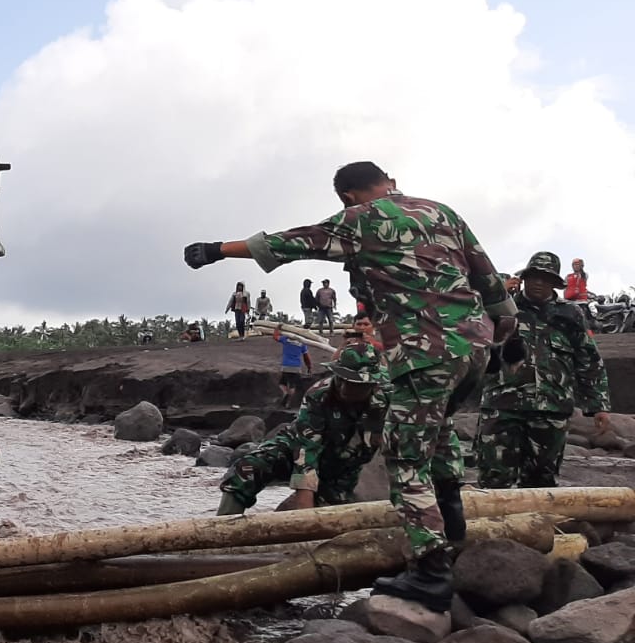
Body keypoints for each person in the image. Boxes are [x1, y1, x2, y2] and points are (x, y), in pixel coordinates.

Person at [184, 160, 516, 614]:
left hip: (423, 350)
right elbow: (490, 282)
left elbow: (291, 242)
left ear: (347, 196)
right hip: (474, 346)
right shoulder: (442, 212)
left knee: (407, 458)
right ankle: (453, 531)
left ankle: (430, 570)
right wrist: (506, 335)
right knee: (438, 434)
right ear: (389, 181)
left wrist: (217, 250)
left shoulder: (360, 218)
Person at [476, 252, 611, 489]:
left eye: (546, 278)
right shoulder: (503, 307)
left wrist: (598, 405)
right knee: (494, 481)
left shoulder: (570, 314)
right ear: (524, 279)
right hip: (502, 407)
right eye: (533, 277)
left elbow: (588, 359)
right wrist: (497, 295)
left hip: (551, 409)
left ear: (554, 283)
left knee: (542, 483)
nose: (538, 282)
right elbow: (466, 314)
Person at [219, 342, 389, 516]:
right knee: (247, 468)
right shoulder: (319, 395)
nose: (344, 388)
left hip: (343, 466)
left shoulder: (390, 398)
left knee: (332, 513)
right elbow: (306, 454)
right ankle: (223, 526)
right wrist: (304, 517)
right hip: (298, 446)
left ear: (373, 384)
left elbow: (403, 447)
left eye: (354, 384)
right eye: (341, 379)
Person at [274, 328, 313, 409]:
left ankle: (285, 393)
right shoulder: (302, 343)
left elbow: (275, 337)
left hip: (285, 366)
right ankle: (288, 403)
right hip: (296, 367)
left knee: (282, 383)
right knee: (292, 385)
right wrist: (309, 367)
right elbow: (306, 357)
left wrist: (277, 329)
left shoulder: (285, 339)